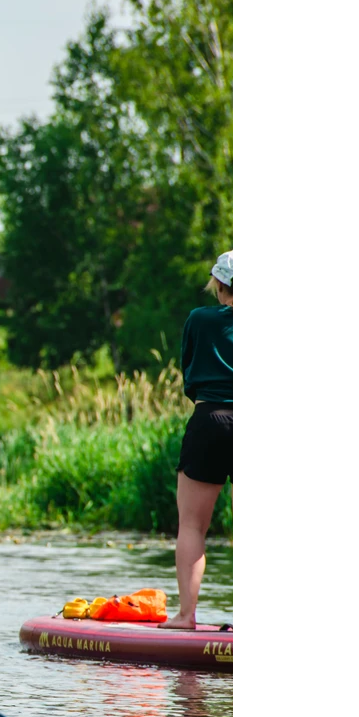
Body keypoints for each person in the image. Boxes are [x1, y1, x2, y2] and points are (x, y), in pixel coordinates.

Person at [161, 251, 238, 631]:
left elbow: (189, 372)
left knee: (192, 526)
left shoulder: (199, 319)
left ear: (220, 285)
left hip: (209, 420)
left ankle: (185, 616)